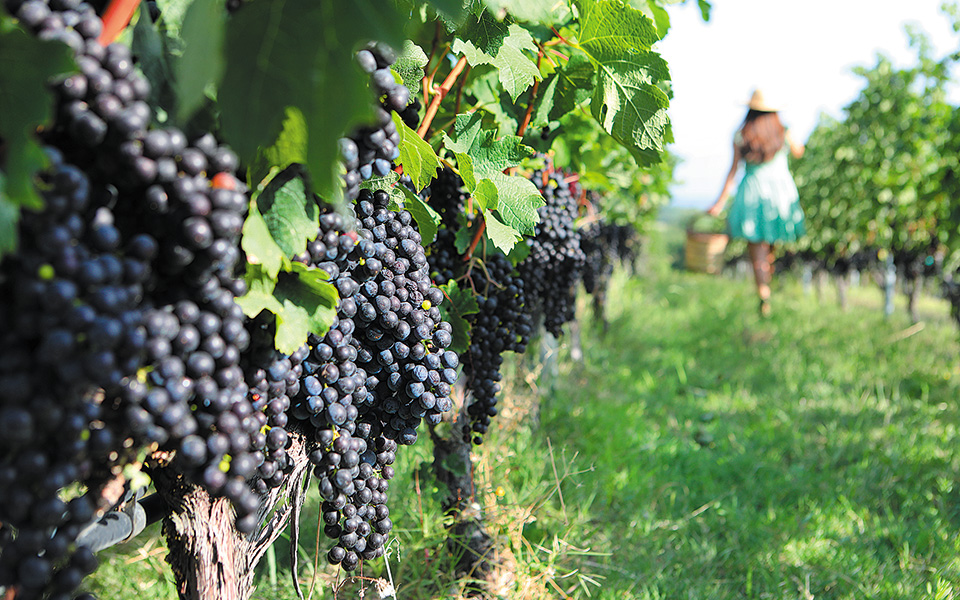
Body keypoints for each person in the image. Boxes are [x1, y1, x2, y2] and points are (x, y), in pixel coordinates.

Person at [707, 89, 805, 316]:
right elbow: (799, 151)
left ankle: (763, 292)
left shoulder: (742, 134)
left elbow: (733, 170)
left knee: (757, 247)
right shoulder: (782, 131)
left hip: (752, 191)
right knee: (770, 245)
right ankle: (766, 286)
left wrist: (719, 203)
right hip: (780, 193)